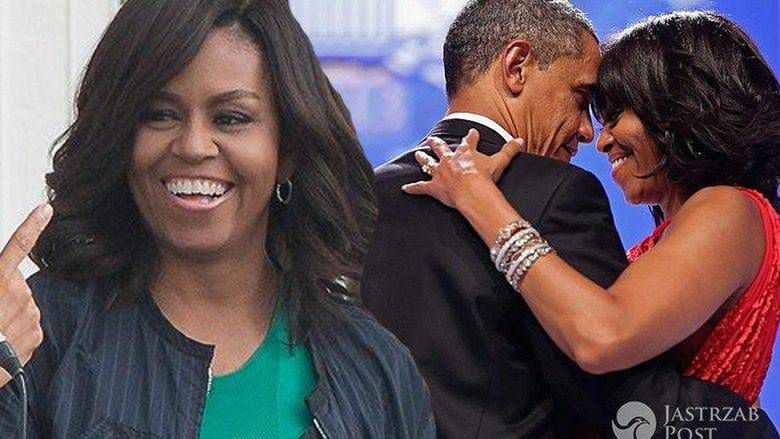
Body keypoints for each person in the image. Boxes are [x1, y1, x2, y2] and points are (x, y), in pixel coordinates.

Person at [0, 0, 435, 438]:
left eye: (230, 118)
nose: (193, 146)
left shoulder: (377, 373)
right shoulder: (36, 337)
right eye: (160, 115)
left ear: (287, 151)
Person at [361, 1, 778, 438]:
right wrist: (747, 425)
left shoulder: (369, 193)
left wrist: (480, 198)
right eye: (585, 103)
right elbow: (624, 392)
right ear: (516, 67)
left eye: (614, 114)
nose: (595, 136)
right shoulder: (551, 191)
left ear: (678, 108)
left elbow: (604, 339)